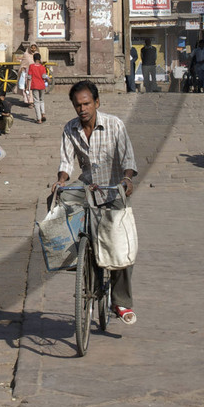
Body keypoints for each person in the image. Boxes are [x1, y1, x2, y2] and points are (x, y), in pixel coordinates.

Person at [54, 80, 139, 325]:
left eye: (87, 103)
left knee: (121, 247)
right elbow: (66, 162)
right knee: (59, 201)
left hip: (113, 190)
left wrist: (127, 179)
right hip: (88, 187)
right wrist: (60, 181)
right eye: (78, 105)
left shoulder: (115, 125)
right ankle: (73, 257)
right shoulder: (70, 129)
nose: (82, 109)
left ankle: (121, 301)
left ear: (97, 103)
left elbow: (128, 158)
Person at [27, 53, 49, 122]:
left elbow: (29, 77)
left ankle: (39, 119)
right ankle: (43, 114)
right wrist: (48, 79)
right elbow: (44, 77)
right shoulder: (42, 67)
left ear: (33, 59)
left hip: (34, 85)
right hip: (42, 85)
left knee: (36, 102)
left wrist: (27, 86)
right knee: (42, 100)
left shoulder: (31, 66)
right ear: (40, 59)